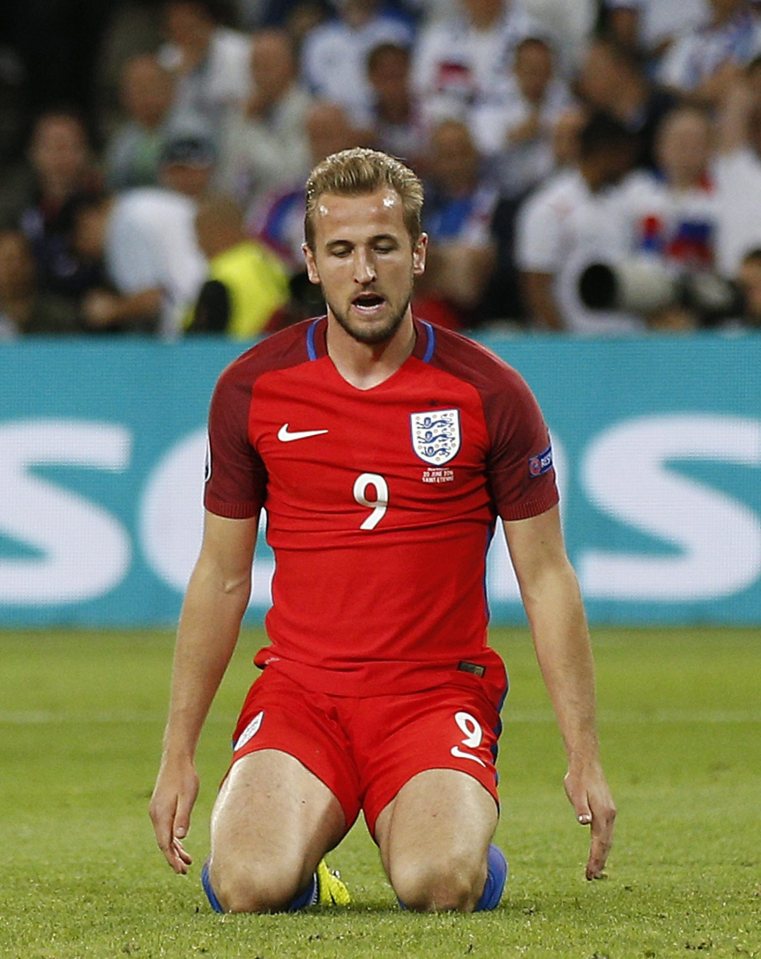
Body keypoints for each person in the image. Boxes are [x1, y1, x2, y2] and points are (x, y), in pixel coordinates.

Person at [149, 146, 616, 913]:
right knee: (247, 885)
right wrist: (176, 755)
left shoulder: (488, 393)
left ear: (418, 254)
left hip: (434, 696)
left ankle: (463, 848)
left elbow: (545, 575)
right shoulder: (251, 390)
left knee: (437, 882)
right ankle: (296, 859)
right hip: (303, 694)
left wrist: (583, 754)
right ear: (309, 261)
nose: (362, 270)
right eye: (340, 250)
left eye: (382, 247)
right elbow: (222, 575)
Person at [188, 192, 290, 336]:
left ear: (218, 232)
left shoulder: (223, 276)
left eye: (200, 235)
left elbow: (200, 342)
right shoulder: (273, 264)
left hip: (233, 354)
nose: (198, 245)